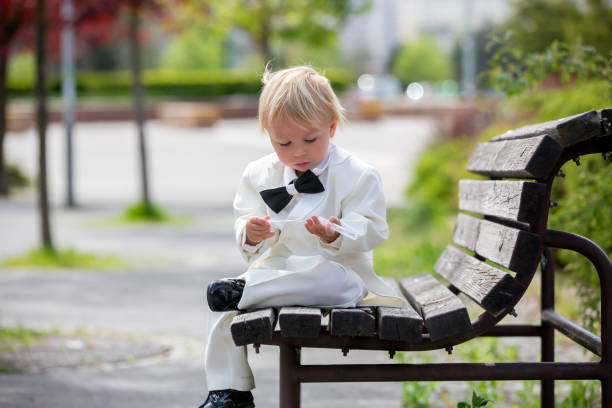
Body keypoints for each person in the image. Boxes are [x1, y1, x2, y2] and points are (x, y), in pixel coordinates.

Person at [199, 66, 406, 408]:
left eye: (310, 139)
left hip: (339, 276)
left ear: (332, 127)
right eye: (284, 142)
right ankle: (228, 390)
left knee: (328, 278)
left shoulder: (358, 175)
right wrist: (250, 234)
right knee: (223, 303)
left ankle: (246, 293)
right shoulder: (258, 174)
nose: (298, 152)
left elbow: (373, 226)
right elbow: (244, 218)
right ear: (269, 136)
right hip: (276, 272)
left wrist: (334, 232)